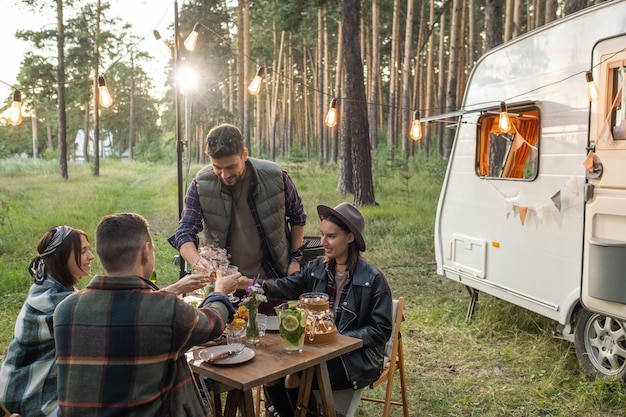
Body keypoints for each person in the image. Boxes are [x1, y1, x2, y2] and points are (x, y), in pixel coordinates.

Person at [53, 212, 240, 416]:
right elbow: (212, 323)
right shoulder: (165, 310)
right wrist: (220, 293)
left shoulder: (65, 310)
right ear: (146, 251)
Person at [240, 203, 393, 417]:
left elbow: (381, 330)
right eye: (322, 235)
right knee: (272, 374)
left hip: (354, 358)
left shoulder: (372, 278)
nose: (323, 242)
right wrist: (250, 284)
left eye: (331, 236)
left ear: (350, 238)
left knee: (295, 375)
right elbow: (288, 285)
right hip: (315, 350)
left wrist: (341, 337)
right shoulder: (317, 267)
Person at [169, 123, 307, 287]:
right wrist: (197, 262)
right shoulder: (201, 184)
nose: (225, 175)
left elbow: (297, 216)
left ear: (245, 154)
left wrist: (295, 259)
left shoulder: (276, 177)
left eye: (231, 167)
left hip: (271, 278)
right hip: (223, 282)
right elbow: (184, 231)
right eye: (217, 167)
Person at [0, 226, 95, 417]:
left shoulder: (51, 289)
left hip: (20, 387)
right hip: (25, 397)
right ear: (63, 257)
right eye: (83, 251)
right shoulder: (52, 301)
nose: (91, 256)